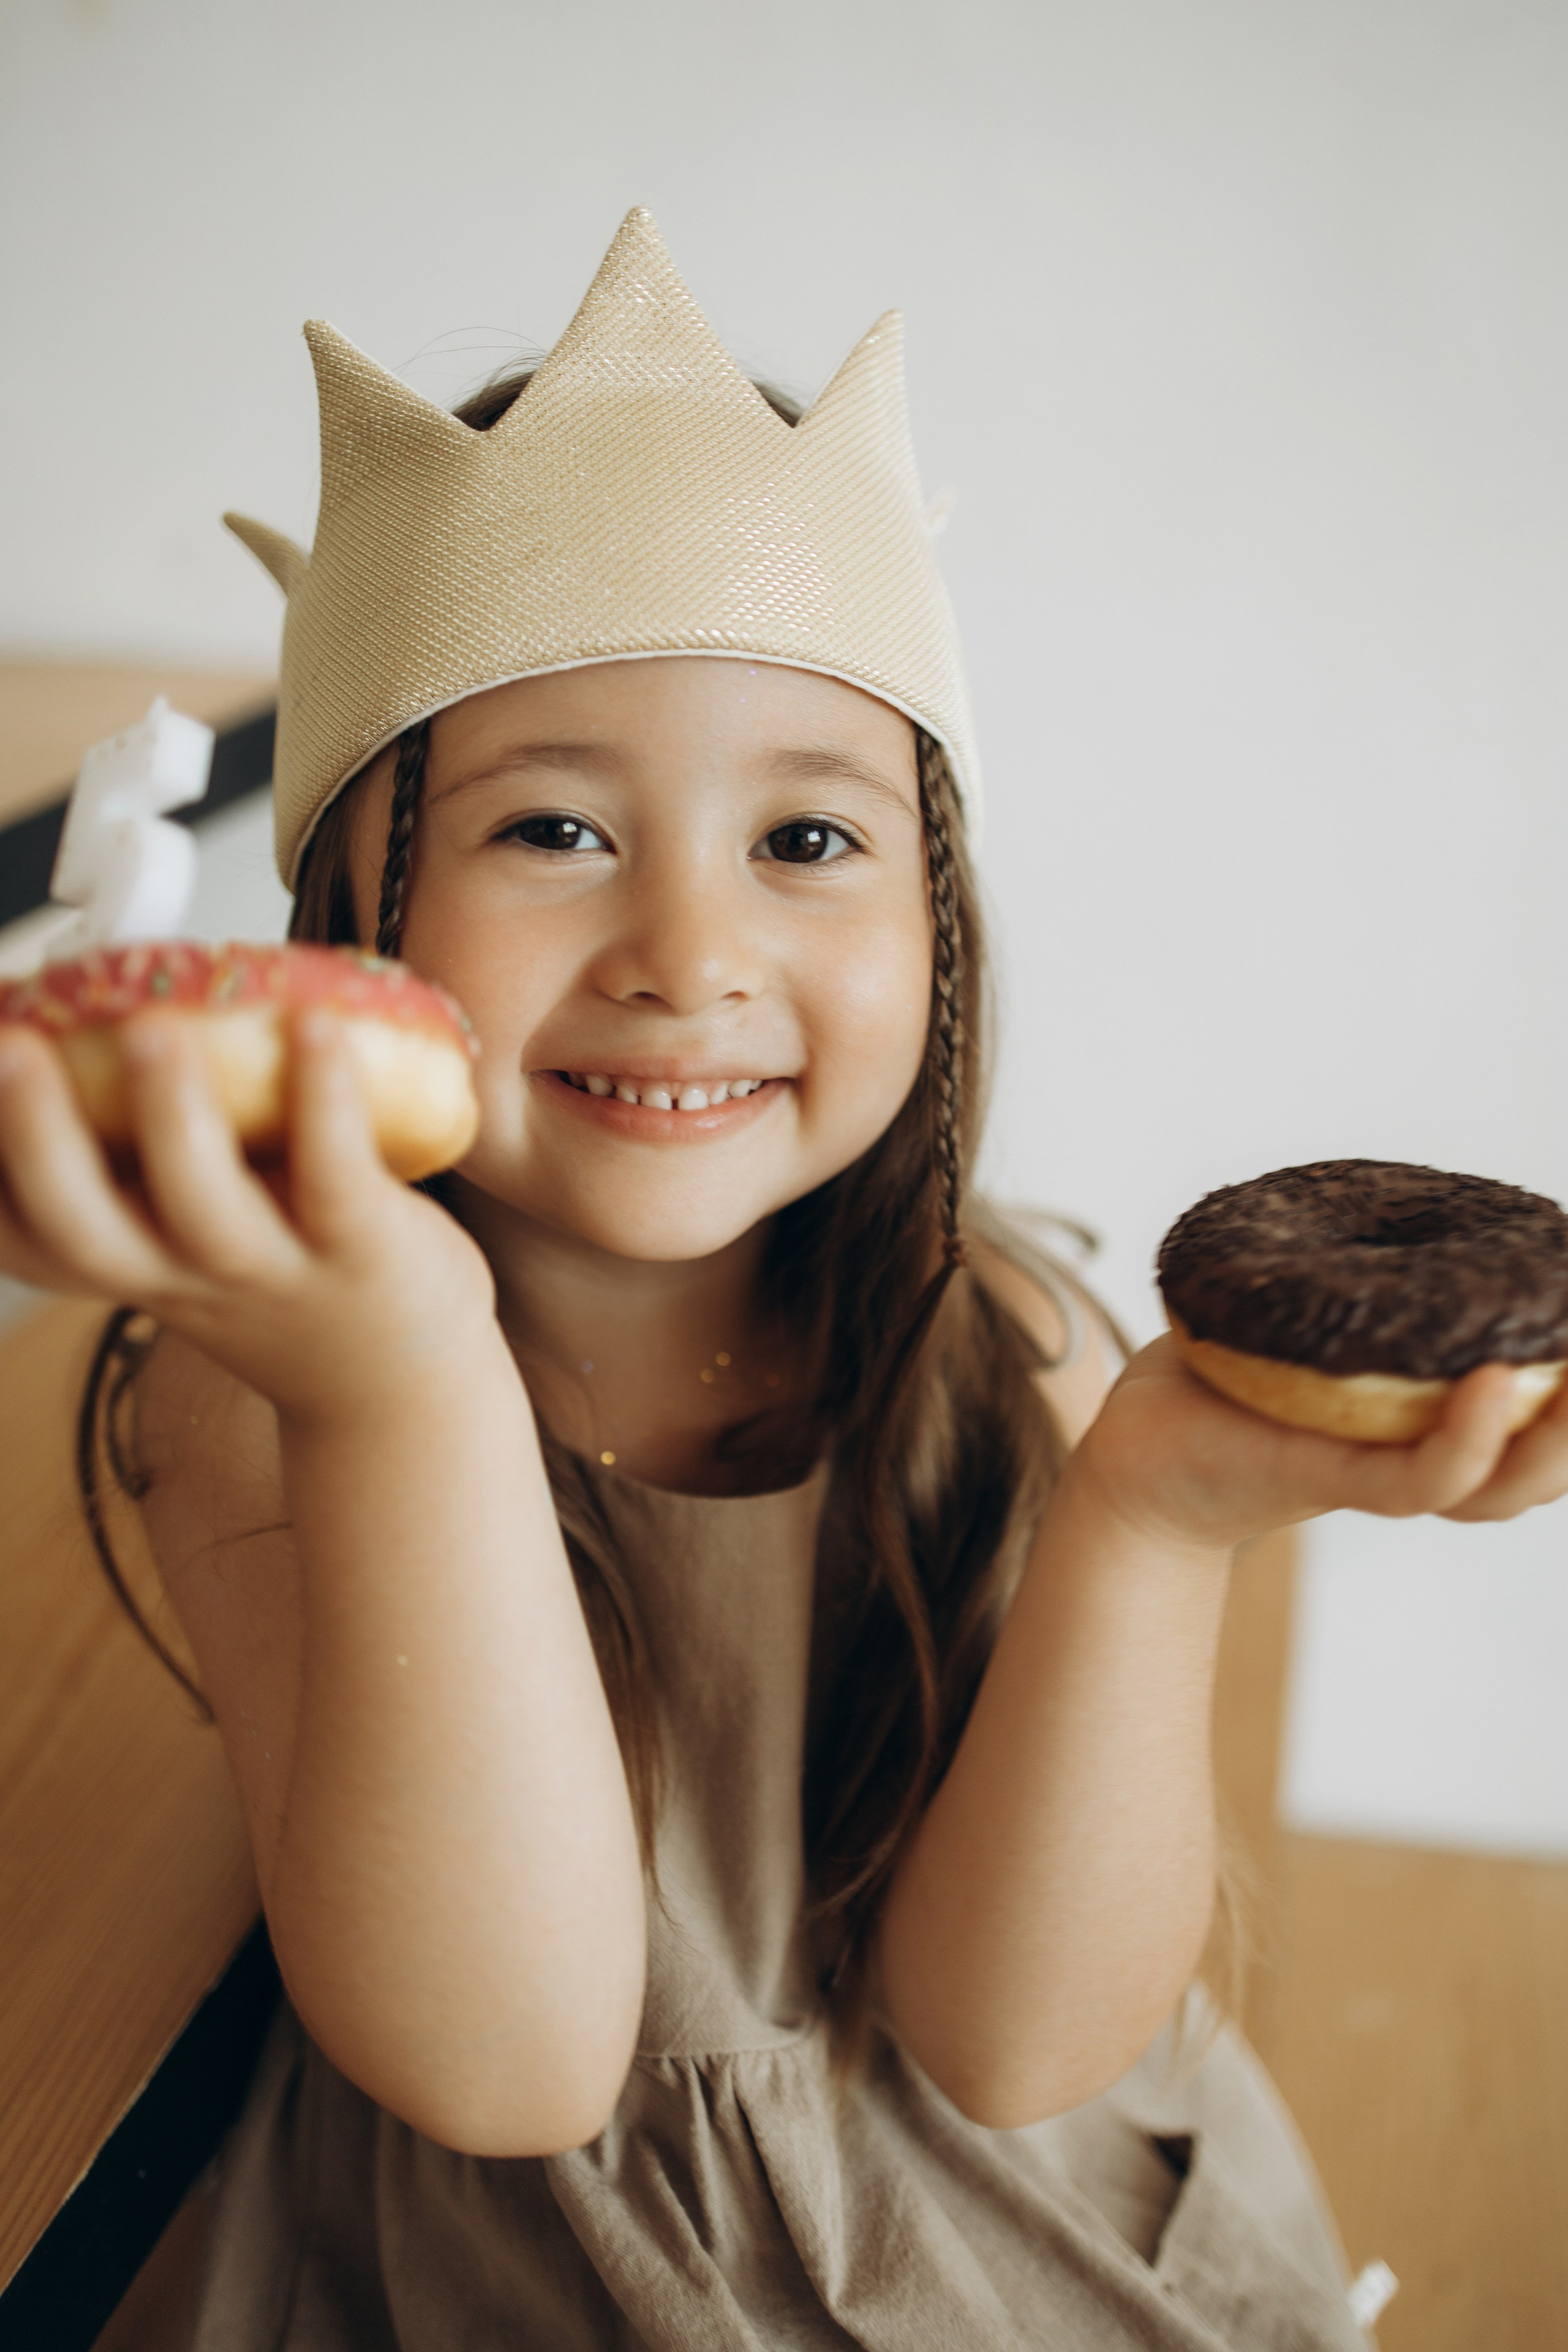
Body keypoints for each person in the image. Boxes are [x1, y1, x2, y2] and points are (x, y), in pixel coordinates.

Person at [2, 210, 1562, 2352]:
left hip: (1007, 2228)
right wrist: (403, 1384)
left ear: (938, 914)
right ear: (350, 911)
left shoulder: (1011, 1345)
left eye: (806, 842)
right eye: (552, 831)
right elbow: (512, 2064)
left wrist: (1155, 1513)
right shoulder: (261, 1386)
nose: (689, 954)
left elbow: (1017, 2047)